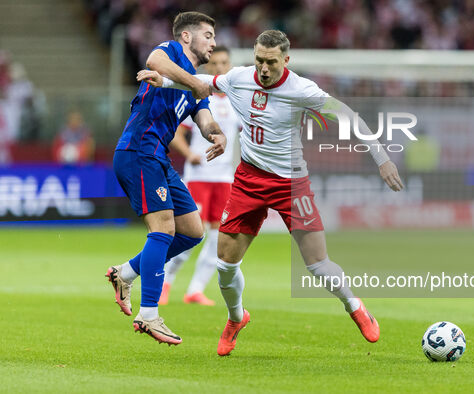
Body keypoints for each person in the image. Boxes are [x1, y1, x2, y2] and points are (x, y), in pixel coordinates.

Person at [138, 30, 404, 356]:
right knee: (225, 265)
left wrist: (382, 158)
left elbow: (348, 116)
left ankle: (355, 306)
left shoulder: (301, 89)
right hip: (249, 180)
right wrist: (163, 82)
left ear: (286, 60)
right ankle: (236, 318)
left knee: (317, 264)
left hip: (291, 183)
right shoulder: (239, 78)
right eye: (259, 61)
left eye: (271, 62)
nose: (264, 69)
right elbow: (200, 84)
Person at [105, 11, 226, 346]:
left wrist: (217, 135)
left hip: (159, 158)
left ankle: (125, 273)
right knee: (164, 229)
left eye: (214, 37)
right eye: (207, 35)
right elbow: (153, 59)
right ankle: (149, 315)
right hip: (138, 151)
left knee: (192, 232)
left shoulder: (195, 86)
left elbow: (204, 120)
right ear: (186, 37)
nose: (213, 43)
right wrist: (193, 82)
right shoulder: (170, 52)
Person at [159, 46, 241, 306]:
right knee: (192, 235)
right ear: (207, 68)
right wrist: (189, 154)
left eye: (224, 62)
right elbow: (175, 133)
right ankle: (166, 283)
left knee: (218, 238)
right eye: (214, 63)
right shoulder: (197, 97)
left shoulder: (237, 101)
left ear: (230, 66)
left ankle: (195, 290)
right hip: (198, 176)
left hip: (224, 179)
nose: (219, 67)